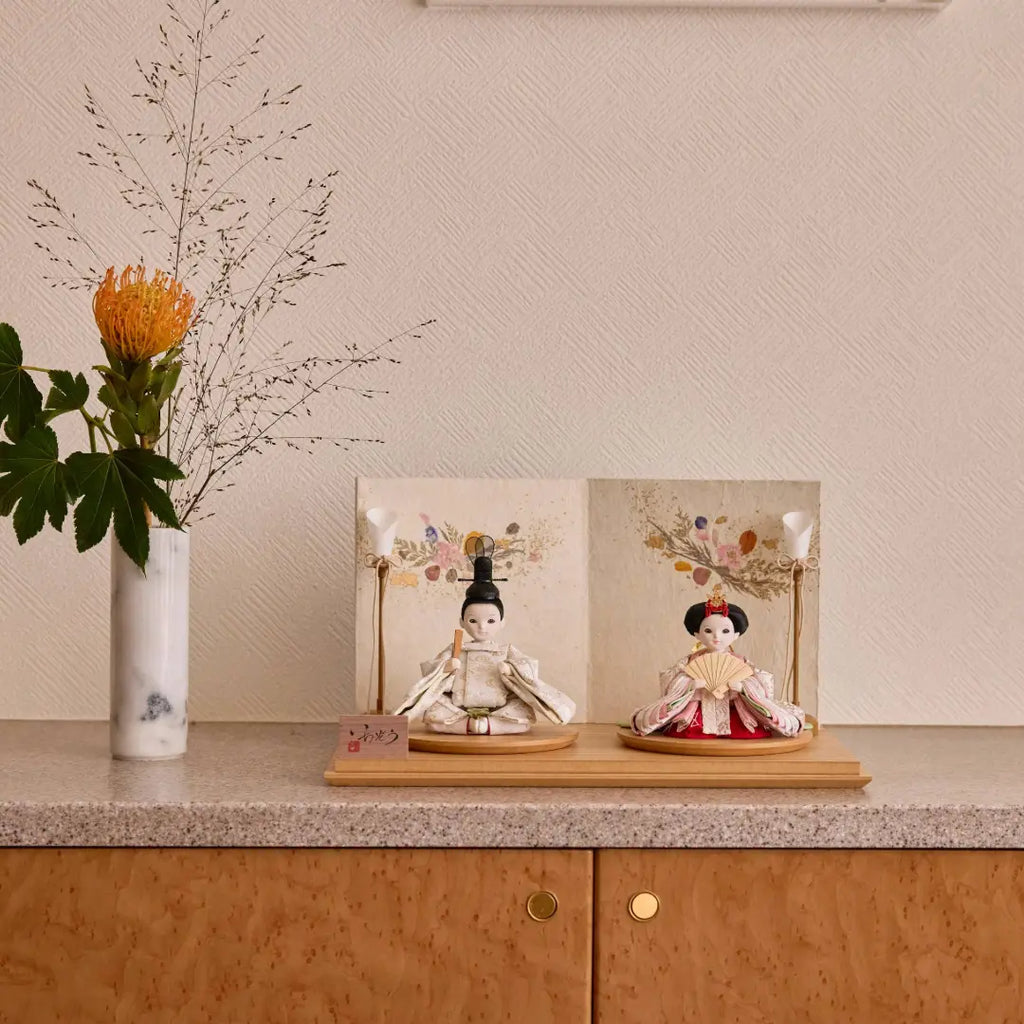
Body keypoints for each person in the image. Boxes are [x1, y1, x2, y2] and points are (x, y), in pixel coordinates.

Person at [392, 538, 576, 735]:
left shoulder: (505, 650)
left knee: (522, 711)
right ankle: (467, 724)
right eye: (473, 620)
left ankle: (489, 725)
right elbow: (431, 672)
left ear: (502, 622)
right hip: (460, 708)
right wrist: (447, 667)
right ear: (462, 622)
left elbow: (528, 668)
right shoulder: (457, 649)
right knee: (434, 709)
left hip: (500, 707)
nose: (482, 627)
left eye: (490, 621)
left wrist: (511, 669)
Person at [630, 584, 804, 739]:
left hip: (732, 708)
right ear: (697, 634)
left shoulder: (740, 662)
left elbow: (760, 684)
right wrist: (690, 685)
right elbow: (671, 681)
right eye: (708, 631)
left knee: (746, 731)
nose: (716, 637)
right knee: (687, 731)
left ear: (735, 635)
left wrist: (743, 688)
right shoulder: (691, 661)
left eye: (725, 631)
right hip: (698, 708)